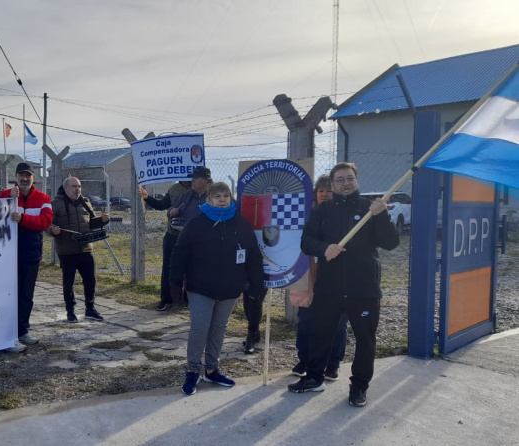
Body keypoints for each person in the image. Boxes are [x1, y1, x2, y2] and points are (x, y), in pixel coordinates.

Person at [287, 162, 399, 408]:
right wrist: (324, 248)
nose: (346, 183)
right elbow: (307, 241)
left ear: (356, 181)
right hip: (329, 287)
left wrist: (382, 216)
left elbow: (391, 242)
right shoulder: (323, 211)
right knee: (321, 334)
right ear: (333, 184)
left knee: (365, 339)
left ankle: (359, 387)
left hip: (364, 289)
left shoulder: (370, 208)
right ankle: (315, 378)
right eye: (340, 180)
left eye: (350, 178)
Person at [170, 182, 266, 395]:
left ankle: (212, 369)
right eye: (217, 196)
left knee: (218, 328)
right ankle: (193, 370)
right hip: (200, 287)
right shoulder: (196, 224)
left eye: (226, 195)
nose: (222, 199)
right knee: (200, 326)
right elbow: (180, 253)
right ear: (209, 200)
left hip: (229, 288)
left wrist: (256, 283)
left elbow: (253, 255)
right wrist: (175, 282)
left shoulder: (241, 224)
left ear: (231, 199)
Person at [291, 174, 349, 380]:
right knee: (305, 320)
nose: (325, 194)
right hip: (306, 274)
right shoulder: (305, 214)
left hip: (335, 277)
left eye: (329, 190)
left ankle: (333, 364)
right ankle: (304, 359)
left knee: (338, 323)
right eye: (321, 191)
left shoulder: (343, 215)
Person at [0, 162, 53, 350]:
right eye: (21, 175)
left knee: (26, 295)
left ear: (33, 177)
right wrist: (7, 197)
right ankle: (6, 333)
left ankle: (22, 331)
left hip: (31, 254)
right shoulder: (7, 195)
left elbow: (45, 222)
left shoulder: (43, 198)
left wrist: (23, 219)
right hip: (7, 254)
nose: (24, 178)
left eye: (28, 175)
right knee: (9, 293)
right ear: (16, 177)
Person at [48, 177, 110, 323]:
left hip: (86, 249)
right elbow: (48, 224)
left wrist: (102, 220)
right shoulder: (55, 204)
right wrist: (53, 230)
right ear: (66, 188)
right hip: (66, 250)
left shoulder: (85, 202)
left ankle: (90, 308)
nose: (78, 189)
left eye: (79, 186)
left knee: (90, 280)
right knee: (68, 282)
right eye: (74, 186)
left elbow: (91, 224)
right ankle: (70, 311)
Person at [139, 180, 191, 311]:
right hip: (173, 234)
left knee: (190, 270)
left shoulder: (200, 188)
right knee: (168, 267)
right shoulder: (174, 188)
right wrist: (147, 197)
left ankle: (187, 300)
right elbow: (162, 204)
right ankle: (166, 299)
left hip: (192, 236)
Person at [167, 166, 212, 307]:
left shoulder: (217, 195)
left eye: (196, 178)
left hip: (207, 242)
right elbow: (170, 210)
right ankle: (184, 300)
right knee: (185, 272)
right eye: (192, 178)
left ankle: (203, 302)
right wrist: (172, 212)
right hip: (185, 238)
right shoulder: (186, 195)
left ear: (207, 181)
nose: (192, 181)